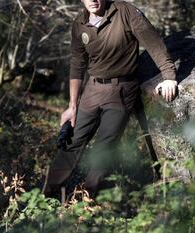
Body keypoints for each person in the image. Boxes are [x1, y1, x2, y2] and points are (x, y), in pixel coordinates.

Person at [43, 0, 177, 197]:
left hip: (122, 90)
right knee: (72, 142)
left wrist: (169, 77)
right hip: (92, 90)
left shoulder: (126, 11)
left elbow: (153, 43)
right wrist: (72, 106)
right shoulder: (79, 23)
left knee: (103, 148)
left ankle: (86, 202)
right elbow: (77, 64)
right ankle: (46, 197)